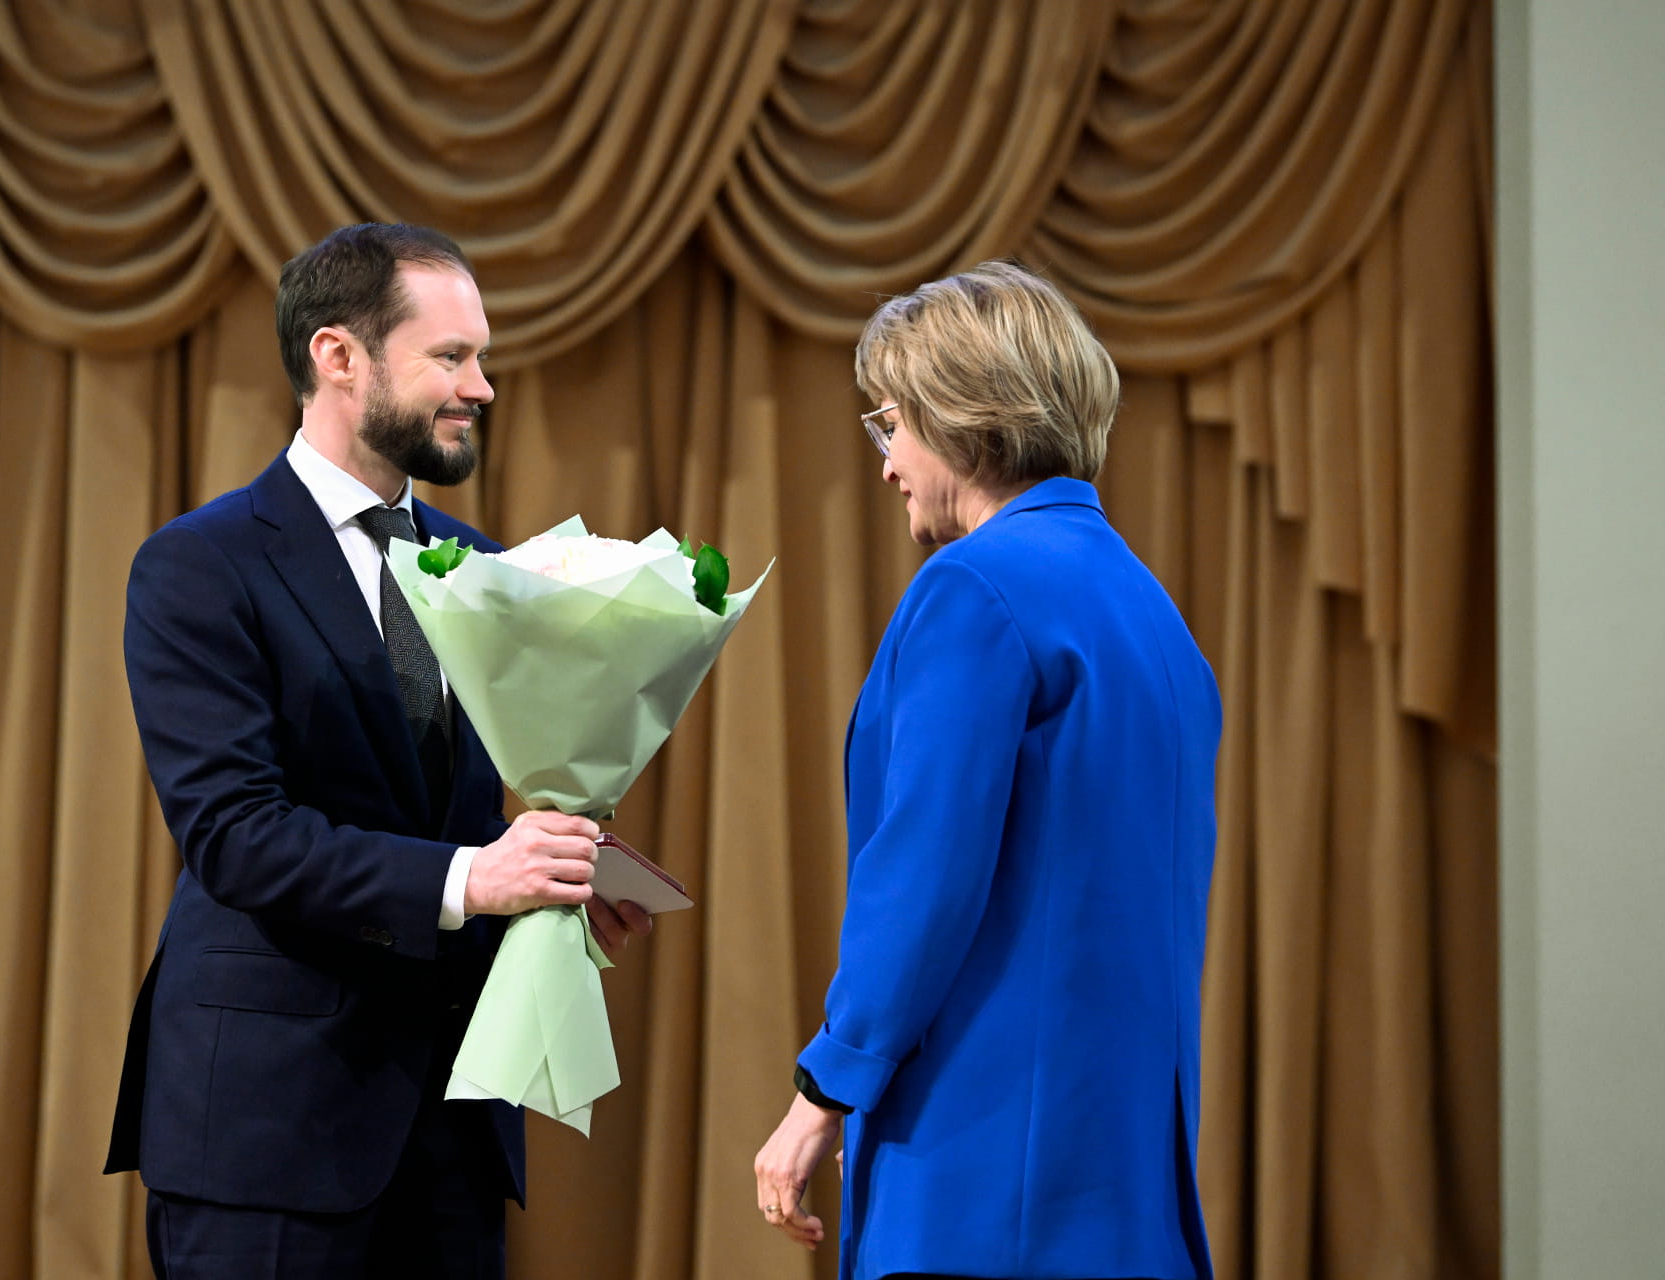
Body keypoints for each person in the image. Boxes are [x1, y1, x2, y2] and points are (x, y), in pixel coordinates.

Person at [105, 222, 652, 1279]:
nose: (481, 387)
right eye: (450, 356)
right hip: (269, 1133)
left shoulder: (485, 566)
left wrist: (549, 893)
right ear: (338, 357)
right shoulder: (199, 565)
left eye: (480, 357)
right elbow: (236, 837)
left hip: (451, 1135)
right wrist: (473, 877)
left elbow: (452, 823)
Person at [752, 261, 1222, 1280]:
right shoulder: (1152, 612)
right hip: (1121, 1178)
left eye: (891, 425)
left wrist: (824, 1089)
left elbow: (923, 875)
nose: (886, 464)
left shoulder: (974, 586)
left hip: (985, 1176)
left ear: (962, 413)